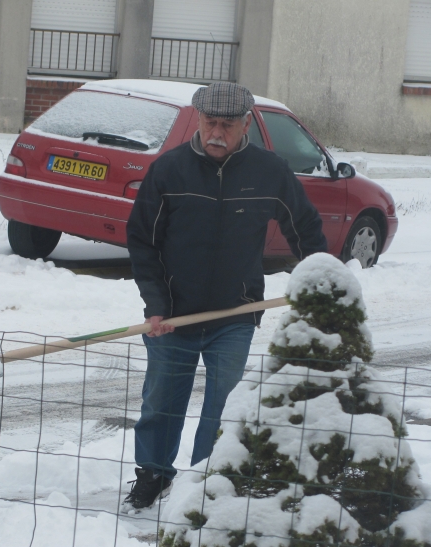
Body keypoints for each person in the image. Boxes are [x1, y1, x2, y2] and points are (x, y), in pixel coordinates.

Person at [122, 82, 328, 511]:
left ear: (246, 123)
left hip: (236, 313)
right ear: (199, 121)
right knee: (161, 401)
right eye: (210, 122)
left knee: (223, 407)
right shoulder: (169, 170)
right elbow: (143, 241)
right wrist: (156, 305)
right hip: (173, 316)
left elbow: (304, 228)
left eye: (227, 125)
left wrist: (319, 279)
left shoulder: (269, 171)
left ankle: (206, 480)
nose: (217, 132)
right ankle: (154, 473)